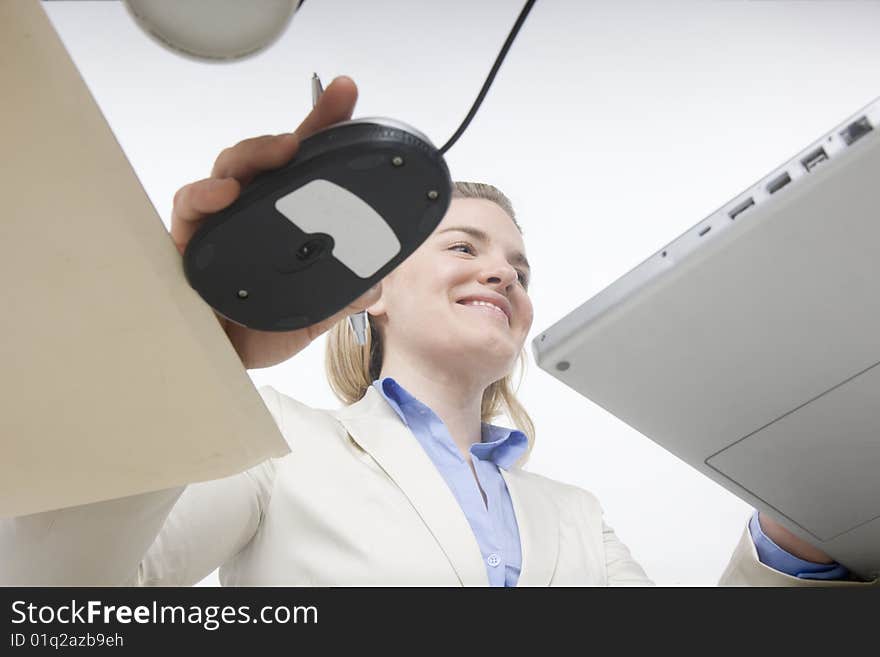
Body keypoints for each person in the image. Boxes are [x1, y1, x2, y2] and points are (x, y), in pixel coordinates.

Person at [0, 77, 874, 587]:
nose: (503, 274)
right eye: (464, 246)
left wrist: (793, 532)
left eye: (521, 270)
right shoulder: (275, 448)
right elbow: (57, 609)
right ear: (370, 287)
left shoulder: (576, 519)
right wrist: (195, 364)